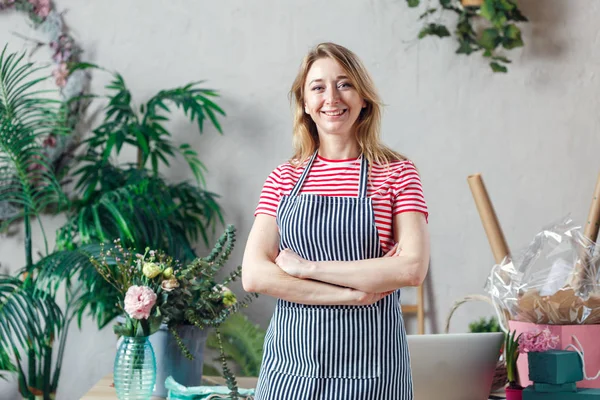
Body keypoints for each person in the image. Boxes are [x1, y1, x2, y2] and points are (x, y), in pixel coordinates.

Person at [241, 42, 430, 400]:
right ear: (305, 104)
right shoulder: (282, 178)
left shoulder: (398, 174)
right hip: (291, 369)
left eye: (344, 84)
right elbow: (254, 275)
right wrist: (353, 295)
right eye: (318, 87)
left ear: (363, 98)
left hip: (373, 369)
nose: (332, 97)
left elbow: (411, 269)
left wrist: (303, 268)